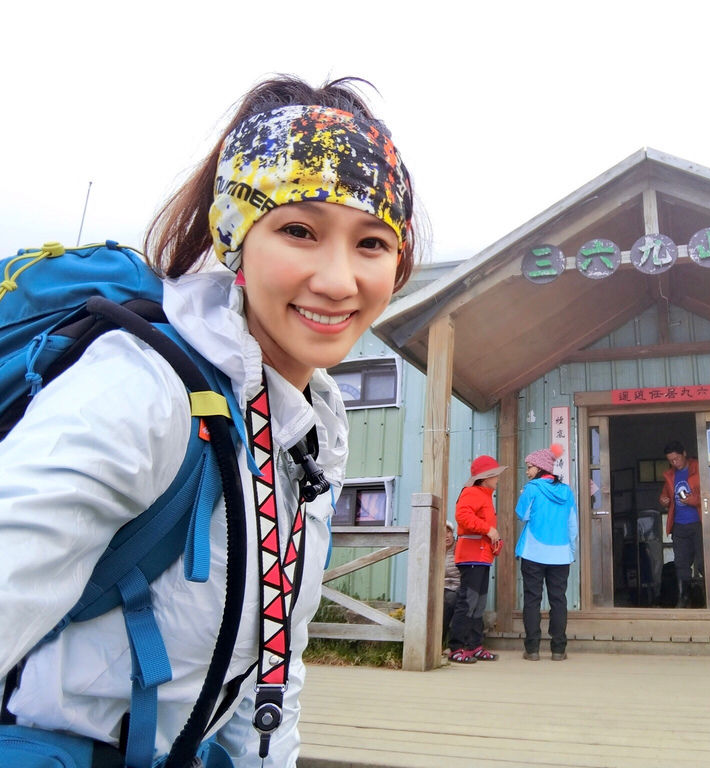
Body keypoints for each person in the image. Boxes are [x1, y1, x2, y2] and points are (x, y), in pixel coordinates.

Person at [0, 75, 417, 767]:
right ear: (236, 239)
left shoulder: (313, 425)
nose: (340, 280)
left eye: (371, 242)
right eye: (298, 230)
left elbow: (275, 655)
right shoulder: (140, 389)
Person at [515, 444, 578, 661]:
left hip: (534, 552)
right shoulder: (567, 491)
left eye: (530, 467)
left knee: (532, 599)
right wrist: (571, 550)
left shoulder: (532, 489)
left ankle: (532, 649)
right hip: (561, 555)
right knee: (558, 600)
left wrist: (524, 495)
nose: (527, 471)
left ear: (540, 468)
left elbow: (522, 515)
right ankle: (558, 649)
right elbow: (572, 525)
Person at [448, 455, 507, 664]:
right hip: (471, 555)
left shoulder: (484, 495)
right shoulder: (472, 493)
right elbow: (462, 516)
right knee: (468, 601)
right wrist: (489, 529)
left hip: (481, 556)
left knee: (479, 603)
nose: (498, 479)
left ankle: (474, 646)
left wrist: (494, 542)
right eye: (495, 475)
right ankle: (456, 647)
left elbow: (479, 526)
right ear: (485, 477)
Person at [659, 440, 704, 608]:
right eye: (670, 460)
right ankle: (683, 599)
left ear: (684, 453)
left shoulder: (699, 468)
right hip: (679, 525)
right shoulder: (670, 475)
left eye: (676, 459)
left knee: (703, 562)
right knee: (681, 564)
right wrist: (664, 500)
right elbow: (665, 496)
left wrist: (692, 500)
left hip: (699, 522)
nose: (674, 463)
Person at [442, 520, 460, 648]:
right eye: (442, 533)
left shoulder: (459, 547)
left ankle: (448, 643)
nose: (446, 536)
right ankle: (439, 642)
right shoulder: (435, 550)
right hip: (441, 587)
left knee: (450, 600)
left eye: (448, 532)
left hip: (458, 586)